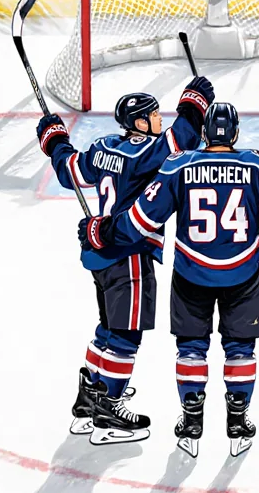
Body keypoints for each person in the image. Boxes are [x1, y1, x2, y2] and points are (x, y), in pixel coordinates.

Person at [77, 101, 259, 458]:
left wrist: (105, 231)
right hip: (242, 275)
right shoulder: (258, 164)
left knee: (191, 348)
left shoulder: (178, 164)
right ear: (236, 133)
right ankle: (238, 420)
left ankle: (191, 419)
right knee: (241, 348)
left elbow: (142, 218)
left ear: (204, 133)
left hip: (191, 273)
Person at [36, 76, 214, 445]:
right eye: (153, 116)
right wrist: (194, 103)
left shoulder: (103, 147)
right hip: (129, 253)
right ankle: (109, 408)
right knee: (124, 334)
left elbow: (71, 171)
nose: (159, 121)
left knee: (107, 327)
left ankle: (92, 395)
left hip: (101, 257)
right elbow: (179, 140)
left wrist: (54, 140)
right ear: (139, 122)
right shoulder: (141, 152)